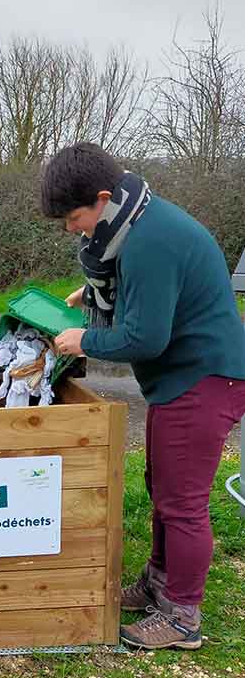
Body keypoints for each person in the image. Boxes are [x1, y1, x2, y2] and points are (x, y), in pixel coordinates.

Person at [41, 142, 245, 650]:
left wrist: (84, 338)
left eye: (74, 216)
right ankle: (159, 586)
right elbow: (150, 296)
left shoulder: (150, 240)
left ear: (104, 197)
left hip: (204, 378)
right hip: (185, 378)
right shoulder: (138, 223)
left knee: (183, 503)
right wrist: (92, 295)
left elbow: (144, 337)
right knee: (163, 487)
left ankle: (182, 618)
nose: (71, 228)